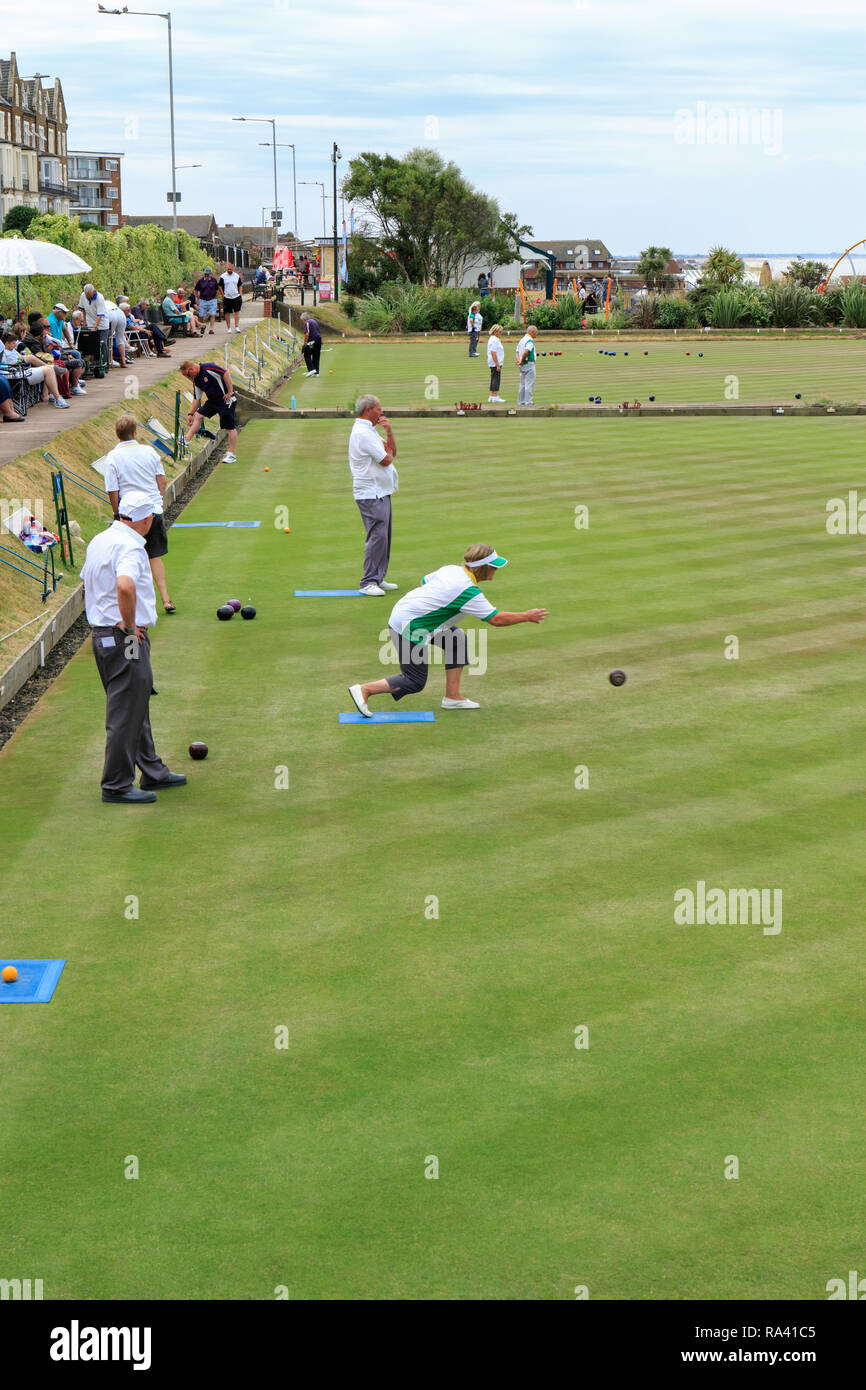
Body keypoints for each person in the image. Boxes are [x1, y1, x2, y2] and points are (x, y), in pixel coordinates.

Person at [348, 543, 549, 715]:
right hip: (410, 627)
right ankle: (365, 689)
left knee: (456, 640)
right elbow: (496, 619)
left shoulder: (451, 569)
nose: (495, 571)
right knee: (414, 680)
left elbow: (424, 581)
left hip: (404, 613)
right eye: (493, 567)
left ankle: (452, 698)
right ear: (483, 569)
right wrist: (527, 616)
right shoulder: (468, 591)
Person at [80, 489, 187, 804]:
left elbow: (89, 581)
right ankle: (115, 785)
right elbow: (125, 585)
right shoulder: (129, 547)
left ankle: (152, 770)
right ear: (145, 518)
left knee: (135, 701)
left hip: (107, 634)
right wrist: (127, 625)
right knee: (126, 709)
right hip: (124, 639)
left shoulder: (101, 539)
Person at [104, 415, 175, 614]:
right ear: (135, 433)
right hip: (152, 511)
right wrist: (157, 502)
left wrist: (117, 514)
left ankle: (132, 604)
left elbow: (113, 490)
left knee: (128, 557)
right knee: (154, 556)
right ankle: (166, 599)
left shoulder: (113, 457)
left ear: (118, 435)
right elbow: (161, 480)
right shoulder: (149, 451)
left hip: (129, 516)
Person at [349, 394, 399, 597]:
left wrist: (388, 431)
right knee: (377, 537)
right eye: (379, 409)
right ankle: (368, 581)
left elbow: (392, 452)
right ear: (368, 410)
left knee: (384, 537)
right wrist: (387, 452)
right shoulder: (363, 433)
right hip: (370, 492)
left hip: (381, 490)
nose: (382, 412)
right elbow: (386, 460)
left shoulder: (369, 430)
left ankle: (378, 577)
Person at [179, 359, 238, 463]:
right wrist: (190, 414)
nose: (189, 378)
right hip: (213, 401)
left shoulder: (208, 367)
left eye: (188, 375)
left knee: (230, 427)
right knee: (198, 415)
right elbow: (197, 398)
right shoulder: (196, 381)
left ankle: (231, 455)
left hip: (226, 400)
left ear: (191, 369)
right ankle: (186, 440)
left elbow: (225, 373)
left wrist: (230, 392)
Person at [1, 330, 69, 408]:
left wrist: (22, 359)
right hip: (16, 373)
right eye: (13, 343)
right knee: (48, 369)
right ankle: (57, 398)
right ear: (6, 343)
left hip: (24, 370)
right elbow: (4, 366)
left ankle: (56, 397)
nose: (15, 344)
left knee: (48, 369)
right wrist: (17, 363)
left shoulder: (13, 351)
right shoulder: (3, 353)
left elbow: (22, 358)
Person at [78, 284, 110, 366]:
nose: (87, 296)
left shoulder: (99, 298)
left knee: (102, 343)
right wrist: (84, 321)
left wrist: (95, 327)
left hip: (102, 324)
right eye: (86, 294)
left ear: (93, 292)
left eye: (89, 295)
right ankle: (96, 361)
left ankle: (105, 362)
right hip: (90, 322)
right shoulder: (83, 296)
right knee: (93, 343)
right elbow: (82, 309)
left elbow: (100, 315)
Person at [515, 325, 538, 406]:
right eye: (536, 332)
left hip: (522, 365)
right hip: (529, 363)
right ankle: (528, 402)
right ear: (532, 332)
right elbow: (526, 352)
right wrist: (521, 360)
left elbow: (517, 352)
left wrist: (518, 360)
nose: (536, 334)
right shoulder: (530, 340)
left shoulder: (522, 339)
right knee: (529, 384)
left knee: (522, 384)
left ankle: (521, 402)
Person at [218, 262, 243, 334]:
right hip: (227, 297)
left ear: (233, 268)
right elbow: (220, 286)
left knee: (237, 312)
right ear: (226, 269)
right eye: (228, 269)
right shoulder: (223, 276)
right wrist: (223, 295)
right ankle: (229, 328)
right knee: (227, 313)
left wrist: (240, 294)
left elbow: (240, 285)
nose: (229, 270)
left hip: (236, 296)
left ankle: (237, 327)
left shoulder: (236, 276)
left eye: (230, 269)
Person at [194, 267, 220, 335]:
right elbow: (196, 290)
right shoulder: (200, 281)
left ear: (210, 274)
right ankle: (203, 326)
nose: (206, 275)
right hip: (203, 300)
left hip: (212, 300)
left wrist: (216, 298)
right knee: (201, 315)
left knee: (212, 314)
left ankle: (211, 329)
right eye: (205, 274)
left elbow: (217, 290)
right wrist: (196, 298)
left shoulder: (214, 280)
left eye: (208, 274)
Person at [487, 323, 505, 402]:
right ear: (495, 332)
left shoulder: (495, 339)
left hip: (495, 362)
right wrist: (497, 364)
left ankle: (491, 396)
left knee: (494, 378)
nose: (501, 333)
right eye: (500, 332)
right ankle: (495, 396)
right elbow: (493, 352)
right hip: (495, 362)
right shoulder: (494, 340)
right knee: (496, 379)